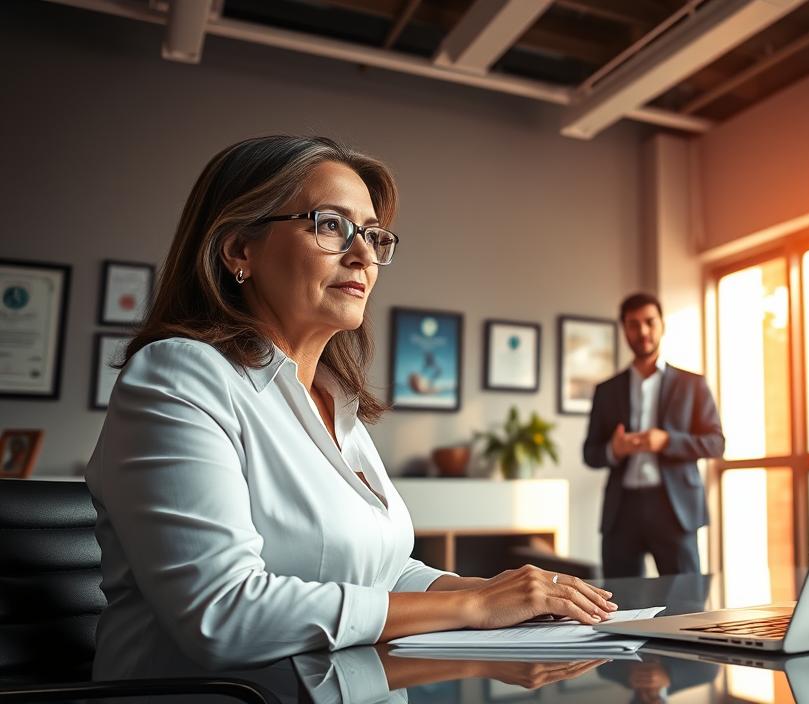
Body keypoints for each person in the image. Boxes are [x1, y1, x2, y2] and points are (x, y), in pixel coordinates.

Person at [84, 136, 616, 679]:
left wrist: (502, 594)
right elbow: (224, 615)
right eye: (330, 225)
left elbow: (382, 570)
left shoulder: (336, 403)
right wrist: (474, 607)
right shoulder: (178, 375)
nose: (363, 254)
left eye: (372, 234)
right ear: (240, 249)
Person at [582, 294, 725, 577]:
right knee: (618, 603)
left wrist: (667, 441)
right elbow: (590, 453)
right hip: (622, 511)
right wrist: (614, 450)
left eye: (650, 322)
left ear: (662, 325)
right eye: (634, 324)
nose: (643, 331)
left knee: (686, 604)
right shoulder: (607, 390)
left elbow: (716, 443)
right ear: (624, 329)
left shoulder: (692, 385)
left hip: (674, 509)